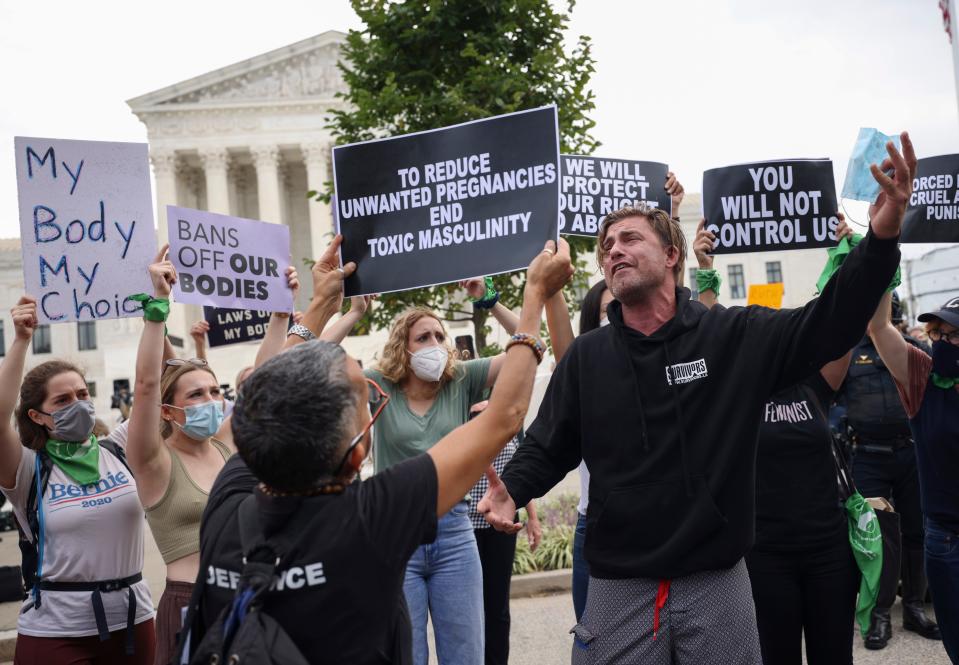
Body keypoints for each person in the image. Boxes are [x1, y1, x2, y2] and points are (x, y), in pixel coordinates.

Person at [481, 134, 914, 664]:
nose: (614, 249)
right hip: (619, 587)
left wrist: (882, 233)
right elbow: (550, 444)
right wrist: (515, 488)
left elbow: (829, 324)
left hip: (718, 581)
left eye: (630, 238)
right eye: (607, 245)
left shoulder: (731, 337)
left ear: (670, 254)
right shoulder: (587, 359)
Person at [176, 235, 574, 664]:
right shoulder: (370, 521)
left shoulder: (225, 504)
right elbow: (505, 417)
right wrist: (534, 294)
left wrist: (322, 304)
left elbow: (261, 395)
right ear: (356, 453)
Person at [319, 272, 563, 665]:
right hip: (396, 533)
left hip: (455, 533)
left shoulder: (461, 378)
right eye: (423, 338)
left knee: (466, 655)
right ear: (404, 347)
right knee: (405, 654)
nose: (434, 344)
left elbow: (532, 343)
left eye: (439, 336)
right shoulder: (380, 383)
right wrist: (354, 312)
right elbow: (308, 361)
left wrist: (490, 300)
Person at [694, 218, 861, 665]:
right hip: (766, 557)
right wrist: (705, 268)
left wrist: (842, 255)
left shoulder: (816, 380)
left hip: (829, 553)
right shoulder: (736, 387)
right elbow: (706, 335)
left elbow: (842, 320)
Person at [125, 245, 299, 665]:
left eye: (216, 391)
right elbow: (148, 384)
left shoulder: (224, 445)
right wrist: (158, 309)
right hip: (189, 602)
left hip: (245, 595)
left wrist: (280, 314)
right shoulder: (154, 461)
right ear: (169, 411)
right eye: (196, 394)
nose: (210, 400)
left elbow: (263, 377)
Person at [0, 296, 156, 663]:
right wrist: (21, 339)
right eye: (63, 400)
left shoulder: (118, 448)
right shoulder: (26, 469)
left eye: (82, 394)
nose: (78, 403)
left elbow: (150, 385)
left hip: (134, 621)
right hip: (57, 631)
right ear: (37, 416)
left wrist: (157, 311)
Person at [840, 290, 941, 648]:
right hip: (867, 456)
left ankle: (914, 608)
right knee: (878, 537)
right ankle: (880, 614)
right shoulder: (849, 355)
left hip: (912, 455)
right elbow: (834, 406)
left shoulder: (915, 351)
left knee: (917, 531)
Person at [867, 289, 959, 663]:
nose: (942, 342)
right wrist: (884, 263)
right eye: (936, 334)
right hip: (946, 539)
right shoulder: (923, 377)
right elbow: (878, 327)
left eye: (952, 335)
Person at [466, 400, 541, 665]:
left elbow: (521, 471)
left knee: (497, 605)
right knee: (472, 607)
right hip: (467, 526)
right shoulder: (462, 415)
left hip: (503, 522)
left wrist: (533, 517)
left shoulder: (510, 418)